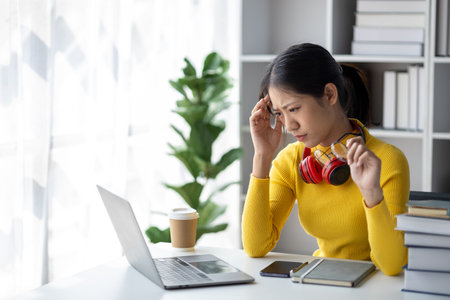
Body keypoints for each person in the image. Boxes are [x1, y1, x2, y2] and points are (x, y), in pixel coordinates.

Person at [241, 43, 409, 276]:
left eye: (295, 109)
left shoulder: (387, 160)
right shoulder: (291, 160)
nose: (289, 126)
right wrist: (262, 156)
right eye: (279, 113)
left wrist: (371, 193)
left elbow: (391, 265)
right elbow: (255, 247)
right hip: (319, 281)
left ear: (330, 94)